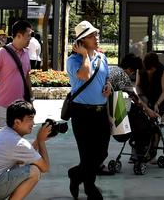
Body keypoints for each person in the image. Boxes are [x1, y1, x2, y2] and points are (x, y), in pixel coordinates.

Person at [67, 20, 112, 200]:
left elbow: (106, 77)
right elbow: (84, 75)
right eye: (92, 35)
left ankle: (75, 174)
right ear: (81, 41)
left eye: (97, 34)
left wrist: (108, 85)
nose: (96, 38)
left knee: (102, 153)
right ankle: (90, 187)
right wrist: (85, 55)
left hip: (100, 112)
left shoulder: (103, 58)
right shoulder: (73, 60)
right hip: (81, 113)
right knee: (87, 154)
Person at [0, 21, 33, 130]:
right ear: (18, 35)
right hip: (2, 107)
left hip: (20, 108)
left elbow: (27, 76)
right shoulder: (1, 53)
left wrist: (31, 98)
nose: (30, 38)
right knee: (0, 141)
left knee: (17, 142)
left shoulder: (26, 53)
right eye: (28, 35)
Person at [137, 51, 164, 118]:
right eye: (147, 69)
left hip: (158, 95)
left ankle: (161, 114)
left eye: (151, 69)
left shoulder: (162, 70)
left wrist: (157, 103)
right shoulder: (140, 68)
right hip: (144, 94)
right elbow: (137, 85)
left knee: (157, 116)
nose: (149, 71)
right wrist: (141, 96)